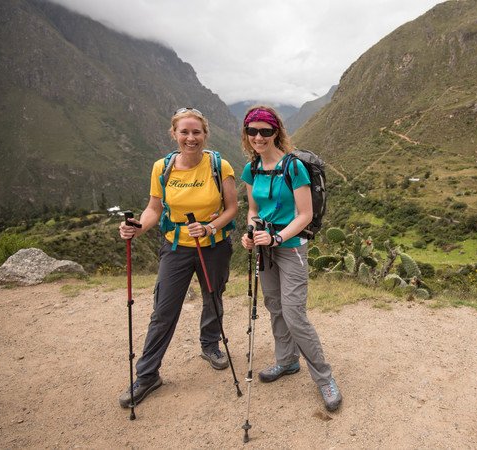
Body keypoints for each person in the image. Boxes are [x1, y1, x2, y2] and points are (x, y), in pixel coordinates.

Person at [117, 107, 238, 408]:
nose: (190, 137)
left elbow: (232, 209)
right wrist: (138, 227)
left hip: (214, 245)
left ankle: (210, 345)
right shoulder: (163, 167)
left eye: (196, 132)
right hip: (176, 247)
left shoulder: (219, 166)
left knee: (213, 297)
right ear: (174, 134)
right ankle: (147, 375)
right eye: (184, 132)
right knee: (164, 310)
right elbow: (154, 209)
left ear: (204, 134)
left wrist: (209, 227)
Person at [239, 106, 342, 412]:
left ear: (276, 133)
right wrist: (251, 230)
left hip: (291, 246)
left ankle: (324, 377)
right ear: (246, 134)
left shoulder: (293, 167)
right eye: (252, 131)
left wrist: (278, 237)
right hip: (264, 247)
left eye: (265, 131)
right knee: (274, 306)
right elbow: (254, 210)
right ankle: (287, 361)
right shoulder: (251, 169)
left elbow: (305, 214)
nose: (259, 137)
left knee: (294, 313)